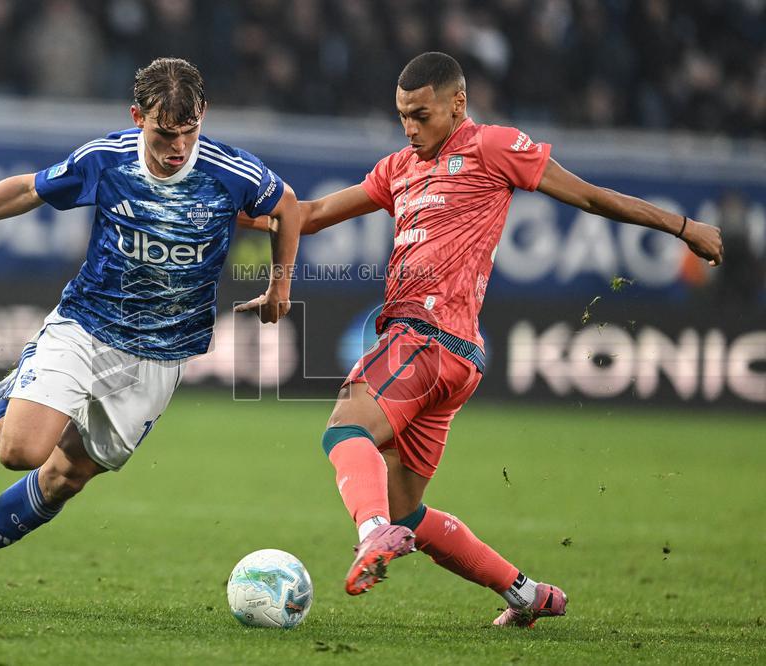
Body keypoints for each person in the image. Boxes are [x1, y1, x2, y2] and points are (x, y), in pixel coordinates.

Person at [243, 51, 723, 627]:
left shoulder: (493, 147)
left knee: (346, 430)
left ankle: (371, 535)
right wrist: (232, 211)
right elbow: (312, 212)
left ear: (458, 104)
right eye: (402, 117)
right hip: (457, 360)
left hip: (425, 336)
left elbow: (591, 196)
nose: (410, 128)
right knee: (408, 511)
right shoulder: (398, 166)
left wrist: (684, 226)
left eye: (421, 115)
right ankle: (527, 595)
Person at [0, 57, 300, 607]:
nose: (178, 148)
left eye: (189, 133)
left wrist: (280, 285)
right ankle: (16, 389)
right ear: (138, 115)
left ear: (203, 116)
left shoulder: (231, 172)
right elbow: (25, 190)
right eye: (165, 133)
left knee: (64, 479)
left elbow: (286, 206)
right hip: (86, 328)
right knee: (20, 451)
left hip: (161, 357)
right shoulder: (107, 159)